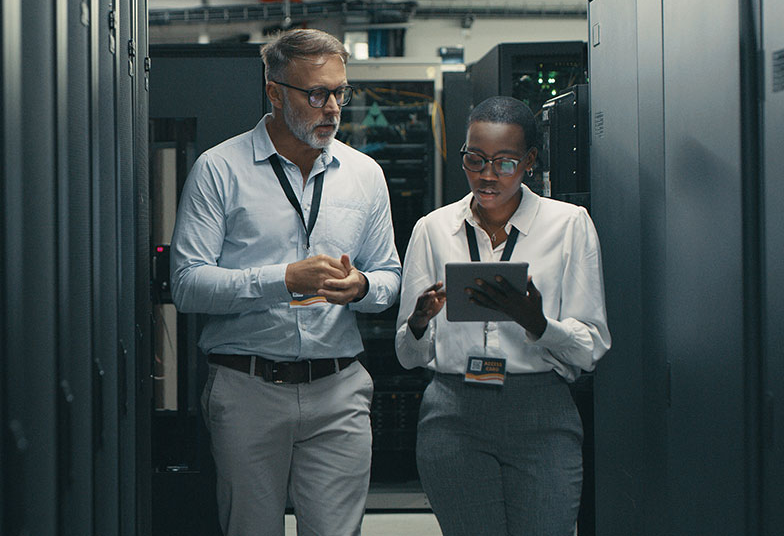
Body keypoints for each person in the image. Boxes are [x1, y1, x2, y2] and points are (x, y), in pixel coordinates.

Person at [170, 28, 401, 536]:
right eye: (316, 93)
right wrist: (282, 280)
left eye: (341, 92)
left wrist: (361, 287)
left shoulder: (365, 175)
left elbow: (389, 277)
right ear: (274, 91)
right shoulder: (220, 169)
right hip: (248, 388)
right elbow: (186, 284)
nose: (332, 108)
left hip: (339, 390)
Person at [395, 96, 610, 535]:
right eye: (475, 159)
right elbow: (407, 355)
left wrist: (536, 322)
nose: (487, 175)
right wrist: (418, 322)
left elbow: (590, 348)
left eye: (505, 162)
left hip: (541, 412)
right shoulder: (433, 229)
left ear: (530, 160)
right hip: (453, 412)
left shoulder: (569, 225)